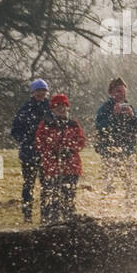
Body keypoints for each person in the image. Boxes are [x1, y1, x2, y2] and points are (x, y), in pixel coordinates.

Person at [94, 76, 137, 209]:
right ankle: (105, 211)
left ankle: (131, 211)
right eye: (118, 91)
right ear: (111, 93)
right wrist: (113, 116)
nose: (121, 94)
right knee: (109, 184)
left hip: (129, 152)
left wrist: (133, 117)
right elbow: (100, 127)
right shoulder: (105, 108)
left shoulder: (130, 107)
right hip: (110, 152)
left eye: (123, 91)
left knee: (131, 184)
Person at [34, 94, 85, 223]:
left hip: (71, 167)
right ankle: (49, 221)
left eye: (63, 106)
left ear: (67, 107)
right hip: (51, 166)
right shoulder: (46, 123)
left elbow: (81, 141)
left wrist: (69, 149)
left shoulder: (73, 124)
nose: (61, 109)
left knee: (68, 195)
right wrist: (53, 151)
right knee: (51, 195)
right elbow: (40, 143)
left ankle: (69, 220)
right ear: (52, 109)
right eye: (58, 107)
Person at [10, 79, 50, 222]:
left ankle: (45, 214)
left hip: (46, 153)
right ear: (32, 92)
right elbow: (15, 130)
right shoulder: (25, 108)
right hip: (28, 153)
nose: (41, 93)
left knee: (47, 184)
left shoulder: (50, 107)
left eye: (43, 90)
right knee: (28, 184)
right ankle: (27, 215)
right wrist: (26, 141)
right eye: (38, 90)